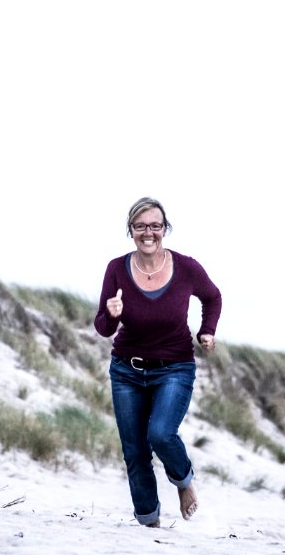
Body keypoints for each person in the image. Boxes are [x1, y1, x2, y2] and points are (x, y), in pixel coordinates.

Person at [94, 197, 222, 528]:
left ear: (165, 229)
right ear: (130, 230)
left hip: (175, 367)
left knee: (161, 434)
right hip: (127, 371)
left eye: (155, 225)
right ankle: (149, 523)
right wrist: (111, 314)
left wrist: (206, 331)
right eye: (140, 226)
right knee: (135, 452)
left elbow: (212, 296)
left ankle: (183, 481)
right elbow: (103, 328)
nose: (148, 232)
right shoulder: (116, 269)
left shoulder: (186, 267)